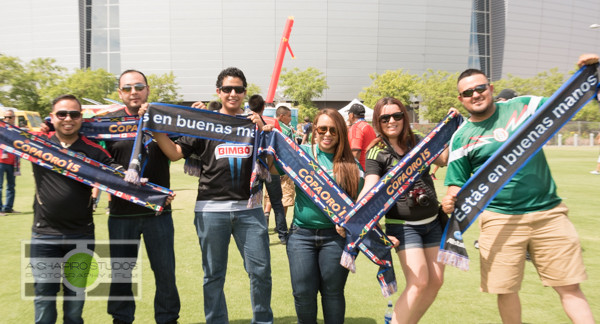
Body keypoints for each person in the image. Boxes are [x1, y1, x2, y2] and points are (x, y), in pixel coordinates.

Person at [441, 55, 597, 324]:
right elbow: (456, 181)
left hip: (549, 214)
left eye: (480, 88)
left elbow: (565, 104)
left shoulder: (524, 105)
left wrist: (586, 74)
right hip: (498, 218)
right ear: (461, 99)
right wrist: (449, 197)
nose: (475, 95)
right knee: (505, 289)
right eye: (468, 93)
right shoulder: (462, 136)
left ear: (490, 88)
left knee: (569, 286)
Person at [148, 67, 273, 324]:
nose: (233, 93)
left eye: (238, 89)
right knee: (213, 275)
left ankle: (263, 320)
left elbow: (270, 166)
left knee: (260, 272)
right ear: (218, 92)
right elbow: (174, 153)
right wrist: (155, 126)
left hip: (249, 210)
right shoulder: (203, 123)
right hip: (210, 210)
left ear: (245, 93)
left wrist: (266, 132)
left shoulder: (254, 124)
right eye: (227, 89)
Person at [29, 94, 119, 324]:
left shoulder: (93, 150)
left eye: (74, 114)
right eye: (61, 114)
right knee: (43, 300)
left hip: (81, 235)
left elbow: (119, 174)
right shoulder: (37, 143)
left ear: (82, 118)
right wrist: (44, 128)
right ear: (52, 117)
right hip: (43, 236)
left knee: (74, 303)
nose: (68, 118)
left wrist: (155, 194)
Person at [358, 97, 447, 324]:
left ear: (404, 117)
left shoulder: (417, 141)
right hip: (403, 226)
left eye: (396, 115)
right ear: (378, 121)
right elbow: (370, 186)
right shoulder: (376, 151)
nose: (391, 121)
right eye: (385, 117)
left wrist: (448, 127)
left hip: (434, 222)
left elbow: (444, 160)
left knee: (436, 281)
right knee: (419, 282)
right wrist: (355, 213)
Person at [105, 70, 180, 324]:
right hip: (120, 214)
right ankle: (121, 319)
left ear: (147, 89)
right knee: (121, 274)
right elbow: (95, 162)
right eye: (127, 88)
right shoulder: (107, 122)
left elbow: (183, 147)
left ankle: (168, 319)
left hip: (158, 213)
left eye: (138, 87)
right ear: (120, 93)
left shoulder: (165, 118)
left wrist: (201, 110)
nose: (133, 92)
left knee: (165, 274)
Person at [277, 109, 363, 324]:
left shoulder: (352, 165)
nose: (327, 134)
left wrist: (350, 223)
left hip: (335, 238)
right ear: (314, 130)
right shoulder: (300, 153)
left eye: (333, 130)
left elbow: (362, 206)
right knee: (303, 293)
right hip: (300, 236)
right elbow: (273, 166)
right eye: (322, 129)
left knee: (332, 293)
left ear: (341, 132)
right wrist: (266, 131)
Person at [248, 94, 289, 244]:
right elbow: (278, 144)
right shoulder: (272, 122)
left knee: (255, 203)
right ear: (263, 107)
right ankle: (283, 235)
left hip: (254, 170)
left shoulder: (245, 122)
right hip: (271, 169)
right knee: (277, 203)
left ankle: (257, 235)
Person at [275, 106, 297, 225]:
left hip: (271, 167)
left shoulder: (271, 126)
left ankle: (267, 220)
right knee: (286, 196)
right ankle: (281, 224)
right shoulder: (286, 129)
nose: (290, 119)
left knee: (269, 197)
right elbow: (289, 149)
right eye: (289, 116)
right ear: (282, 116)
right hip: (284, 166)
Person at [0, 109, 20, 215]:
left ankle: (8, 207)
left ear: (14, 118)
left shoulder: (17, 130)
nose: (7, 119)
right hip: (0, 161)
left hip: (13, 162)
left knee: (11, 186)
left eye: (10, 117)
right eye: (5, 117)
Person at [347, 103, 377, 169]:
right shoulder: (369, 127)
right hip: (371, 168)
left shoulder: (356, 128)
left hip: (361, 170)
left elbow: (356, 151)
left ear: (351, 115)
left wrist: (352, 170)